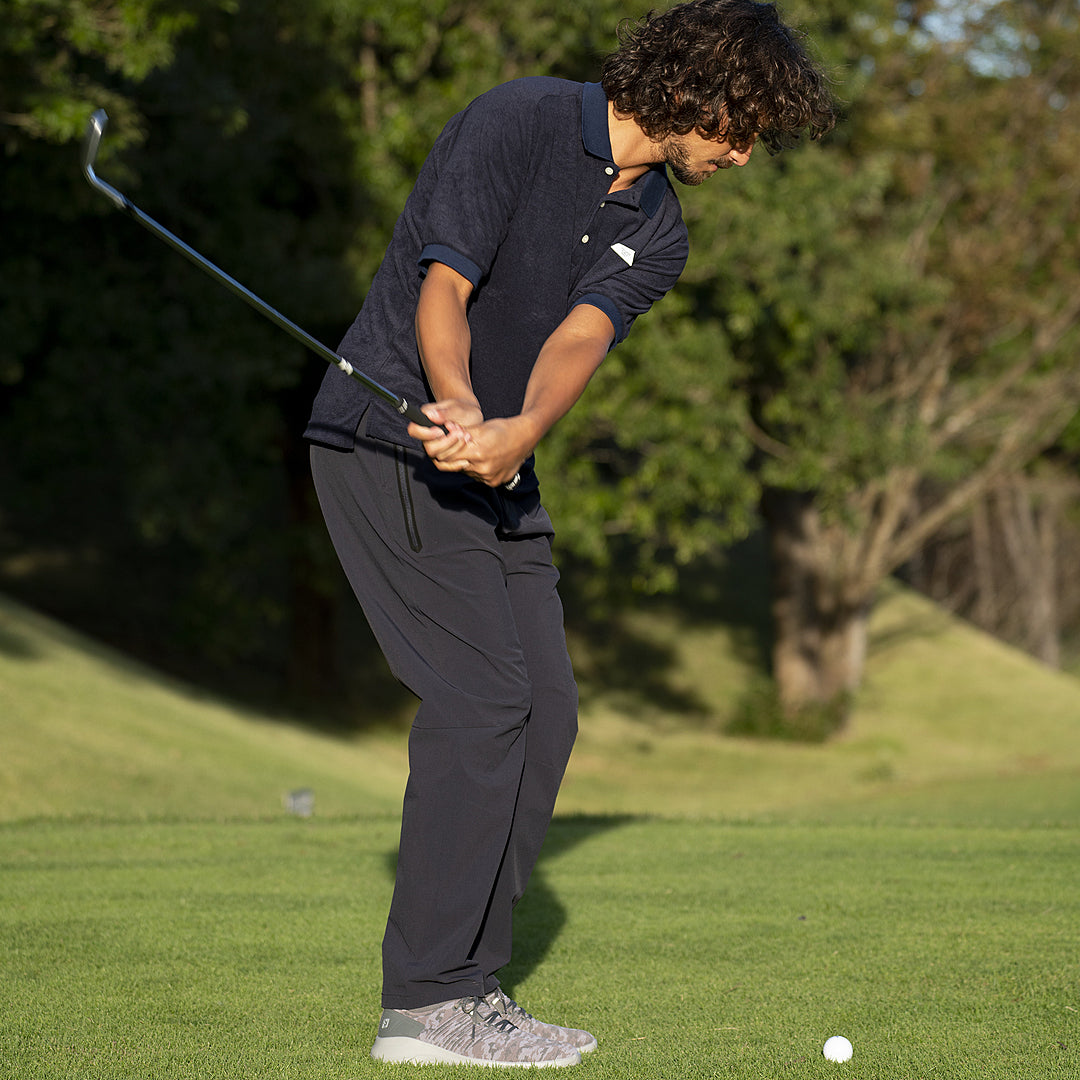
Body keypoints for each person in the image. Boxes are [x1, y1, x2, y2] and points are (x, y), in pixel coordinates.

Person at [305, 0, 836, 1067]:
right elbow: (444, 286)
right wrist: (461, 405)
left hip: (501, 472)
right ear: (693, 87)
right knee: (482, 700)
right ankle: (425, 1004)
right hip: (390, 442)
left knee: (544, 712)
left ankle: (467, 984)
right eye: (742, 126)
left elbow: (577, 340)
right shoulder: (518, 121)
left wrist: (520, 433)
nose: (743, 154)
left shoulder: (662, 229)